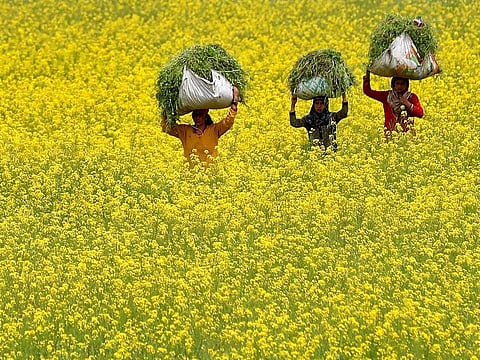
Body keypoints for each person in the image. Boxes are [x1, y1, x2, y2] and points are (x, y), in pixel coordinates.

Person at [162, 87, 240, 166]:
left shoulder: (214, 130)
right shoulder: (185, 131)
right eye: (195, 115)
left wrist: (234, 104)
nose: (197, 118)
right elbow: (166, 127)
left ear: (205, 116)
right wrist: (166, 109)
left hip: (210, 172)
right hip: (190, 173)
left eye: (200, 115)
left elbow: (228, 122)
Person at [363, 70, 424, 137]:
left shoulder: (411, 97)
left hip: (407, 134)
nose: (399, 86)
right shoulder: (387, 96)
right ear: (393, 85)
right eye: (397, 83)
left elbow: (420, 113)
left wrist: (407, 103)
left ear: (407, 85)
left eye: (402, 84)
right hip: (390, 133)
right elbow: (368, 92)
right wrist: (367, 77)